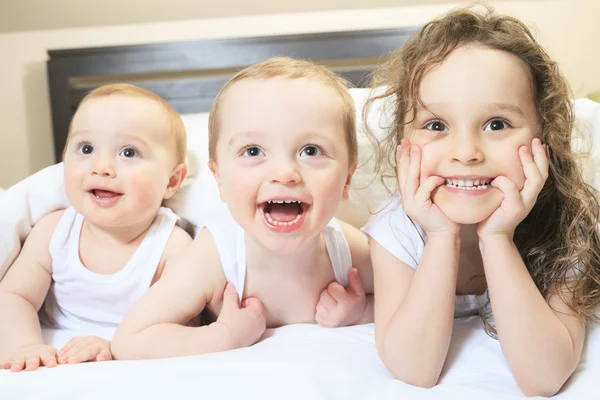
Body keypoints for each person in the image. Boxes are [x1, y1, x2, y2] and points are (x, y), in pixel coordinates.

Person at [362, 6, 600, 397]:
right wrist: (440, 237)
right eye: (436, 126)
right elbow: (413, 370)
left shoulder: (567, 224)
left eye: (497, 124)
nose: (467, 151)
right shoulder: (397, 227)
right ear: (403, 145)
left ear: (546, 137)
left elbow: (543, 378)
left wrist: (498, 238)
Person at [111, 57, 374, 360]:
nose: (285, 173)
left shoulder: (349, 252)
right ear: (219, 179)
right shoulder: (215, 256)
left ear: (347, 179)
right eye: (253, 151)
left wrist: (363, 309)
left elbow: (418, 301)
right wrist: (222, 335)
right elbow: (130, 339)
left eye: (311, 150)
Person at [0, 84, 191, 372]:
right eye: (86, 148)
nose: (101, 168)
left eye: (129, 152)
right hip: (55, 358)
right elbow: (15, 296)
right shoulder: (54, 232)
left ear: (172, 182)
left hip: (131, 363)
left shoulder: (171, 246)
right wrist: (25, 345)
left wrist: (113, 345)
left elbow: (184, 323)